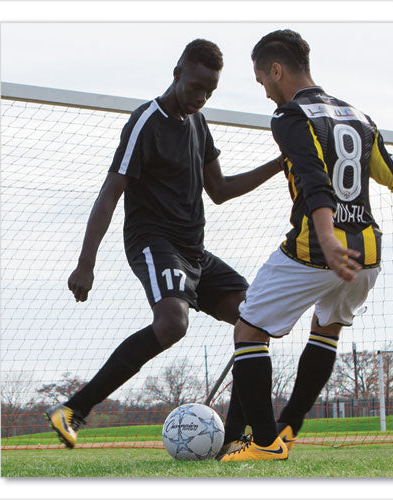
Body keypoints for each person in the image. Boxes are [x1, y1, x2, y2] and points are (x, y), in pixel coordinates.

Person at [219, 29, 393, 462]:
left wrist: (326, 238)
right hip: (367, 256)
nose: (262, 89)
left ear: (276, 70)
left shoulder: (289, 116)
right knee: (326, 329)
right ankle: (288, 428)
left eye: (261, 78)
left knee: (249, 330)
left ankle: (264, 443)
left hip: (316, 251)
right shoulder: (358, 117)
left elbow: (314, 180)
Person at [43, 39, 283, 449]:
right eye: (196, 87)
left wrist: (280, 164)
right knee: (172, 323)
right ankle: (73, 410)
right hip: (153, 242)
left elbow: (220, 190)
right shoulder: (145, 122)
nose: (201, 98)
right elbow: (109, 194)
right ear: (177, 74)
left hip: (194, 251)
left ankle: (232, 440)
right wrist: (86, 263)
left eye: (209, 91)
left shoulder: (198, 122)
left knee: (255, 319)